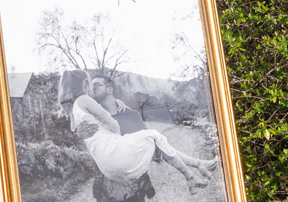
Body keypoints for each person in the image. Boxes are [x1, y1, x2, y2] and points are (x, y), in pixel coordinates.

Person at [69, 75, 215, 194]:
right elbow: (83, 138)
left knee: (158, 141)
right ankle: (196, 168)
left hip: (128, 175)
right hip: (111, 173)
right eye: (91, 85)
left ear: (109, 89)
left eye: (96, 86)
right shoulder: (92, 113)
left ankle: (199, 165)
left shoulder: (129, 114)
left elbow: (156, 147)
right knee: (156, 138)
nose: (92, 88)